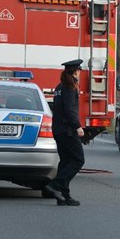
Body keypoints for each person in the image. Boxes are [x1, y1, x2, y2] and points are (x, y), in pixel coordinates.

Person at [44, 59, 85, 206]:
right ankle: (55, 185)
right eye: (79, 70)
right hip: (68, 131)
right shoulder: (69, 87)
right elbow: (69, 110)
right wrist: (77, 126)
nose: (80, 73)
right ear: (75, 71)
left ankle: (63, 196)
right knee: (78, 160)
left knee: (66, 161)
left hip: (59, 130)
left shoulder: (60, 87)